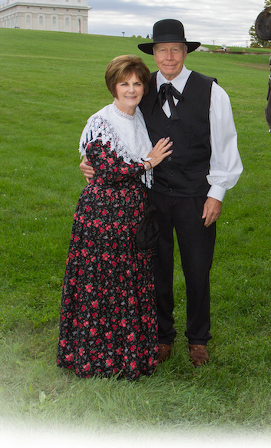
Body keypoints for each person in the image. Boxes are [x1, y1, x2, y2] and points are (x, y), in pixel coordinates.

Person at [81, 19, 242, 366]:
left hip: (196, 196)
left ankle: (198, 338)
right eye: (161, 50)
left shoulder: (212, 92)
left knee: (197, 269)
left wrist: (217, 193)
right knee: (156, 268)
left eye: (175, 49)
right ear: (153, 53)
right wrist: (89, 159)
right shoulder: (141, 88)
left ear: (185, 52)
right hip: (150, 198)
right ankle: (162, 334)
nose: (168, 57)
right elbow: (115, 126)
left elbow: (225, 145)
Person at [58, 55, 172, 380]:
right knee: (104, 282)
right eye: (125, 83)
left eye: (137, 83)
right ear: (113, 85)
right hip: (103, 216)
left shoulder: (138, 118)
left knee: (130, 282)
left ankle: (128, 355)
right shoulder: (101, 122)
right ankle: (99, 360)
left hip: (133, 213)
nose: (131, 89)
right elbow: (108, 172)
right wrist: (148, 163)